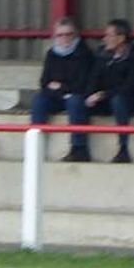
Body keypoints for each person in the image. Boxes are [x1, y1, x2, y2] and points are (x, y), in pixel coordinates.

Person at [81, 18, 134, 163]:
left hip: (130, 100)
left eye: (109, 35)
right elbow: (93, 79)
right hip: (105, 99)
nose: (105, 39)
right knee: (78, 101)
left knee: (118, 101)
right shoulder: (101, 54)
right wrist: (89, 95)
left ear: (121, 38)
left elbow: (130, 86)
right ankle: (79, 149)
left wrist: (104, 94)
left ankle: (123, 150)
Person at [29, 17, 94, 162]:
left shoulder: (84, 54)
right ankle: (35, 146)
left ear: (75, 35)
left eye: (68, 34)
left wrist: (60, 87)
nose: (64, 38)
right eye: (60, 35)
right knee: (39, 100)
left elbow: (82, 84)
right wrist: (62, 90)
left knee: (75, 102)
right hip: (57, 96)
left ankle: (79, 149)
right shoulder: (51, 54)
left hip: (77, 96)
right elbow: (44, 82)